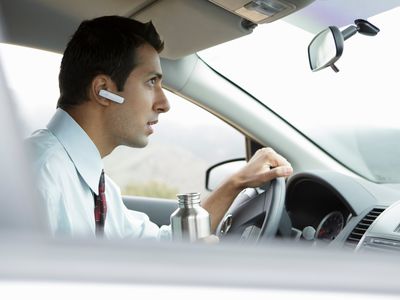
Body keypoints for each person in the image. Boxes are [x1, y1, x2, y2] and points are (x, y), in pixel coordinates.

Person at [26, 16, 293, 240]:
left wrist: (237, 182)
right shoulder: (37, 177)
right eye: (151, 82)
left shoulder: (94, 183)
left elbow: (162, 247)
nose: (164, 104)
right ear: (103, 90)